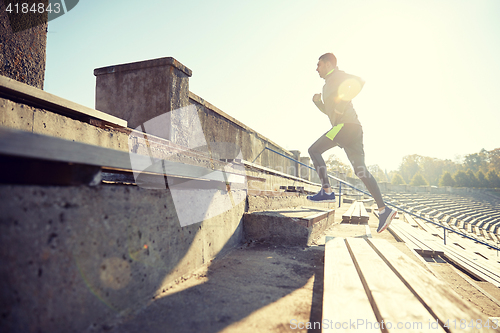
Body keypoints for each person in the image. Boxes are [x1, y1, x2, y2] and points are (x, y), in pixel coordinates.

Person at [307, 53, 396, 233]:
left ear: (329, 64)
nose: (316, 68)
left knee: (314, 150)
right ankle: (384, 209)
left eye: (319, 65)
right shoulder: (327, 86)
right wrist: (318, 104)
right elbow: (331, 113)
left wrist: (342, 103)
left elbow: (361, 81)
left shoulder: (338, 75)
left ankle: (327, 191)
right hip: (352, 128)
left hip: (345, 127)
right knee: (360, 170)